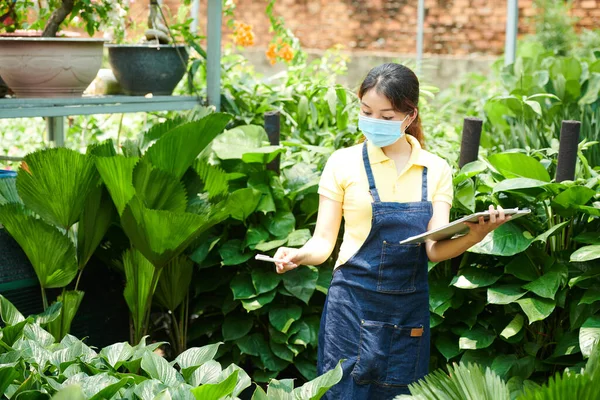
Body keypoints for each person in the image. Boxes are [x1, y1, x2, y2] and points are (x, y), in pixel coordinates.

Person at [272, 63, 509, 399]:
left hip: (406, 313)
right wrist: (298, 254)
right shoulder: (342, 162)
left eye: (386, 117)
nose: (374, 123)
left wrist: (476, 234)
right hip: (351, 306)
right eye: (367, 112)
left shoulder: (435, 169)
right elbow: (323, 243)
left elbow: (434, 249)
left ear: (409, 116)